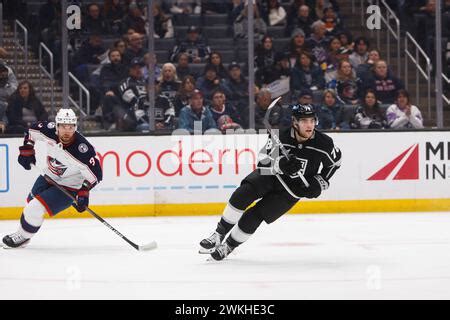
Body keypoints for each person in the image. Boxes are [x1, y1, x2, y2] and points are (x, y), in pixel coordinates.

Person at [199, 104, 342, 260]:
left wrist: (319, 181)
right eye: (304, 121)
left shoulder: (324, 143)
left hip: (293, 190)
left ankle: (229, 246)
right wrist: (280, 164)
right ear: (295, 122)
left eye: (311, 121)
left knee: (255, 216)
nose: (309, 125)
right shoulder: (280, 137)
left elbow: (335, 163)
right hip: (271, 176)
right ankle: (219, 234)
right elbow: (263, 161)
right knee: (243, 193)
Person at [2, 108, 103, 248]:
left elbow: (96, 174)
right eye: (63, 126)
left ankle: (23, 237)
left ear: (75, 127)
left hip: (69, 187)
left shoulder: (83, 150)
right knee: (30, 202)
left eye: (70, 127)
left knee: (34, 208)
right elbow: (31, 131)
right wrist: (27, 149)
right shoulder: (48, 130)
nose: (66, 131)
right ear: (56, 126)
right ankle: (22, 234)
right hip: (48, 176)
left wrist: (83, 192)